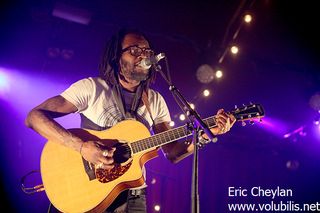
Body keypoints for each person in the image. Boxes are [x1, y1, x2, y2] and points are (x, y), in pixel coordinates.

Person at [25, 28, 236, 213]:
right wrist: (81, 147)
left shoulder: (155, 100)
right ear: (117, 57)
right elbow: (34, 117)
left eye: (146, 51)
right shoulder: (92, 88)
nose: (142, 55)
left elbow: (172, 153)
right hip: (85, 190)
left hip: (132, 196)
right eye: (134, 50)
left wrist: (207, 135)